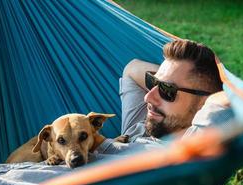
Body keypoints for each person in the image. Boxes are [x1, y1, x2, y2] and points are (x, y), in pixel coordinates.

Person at [96, 39, 233, 154]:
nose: (148, 97)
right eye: (152, 82)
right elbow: (132, 69)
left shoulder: (180, 154)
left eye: (167, 90)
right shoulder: (138, 129)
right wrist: (166, 79)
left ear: (203, 104)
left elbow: (226, 100)